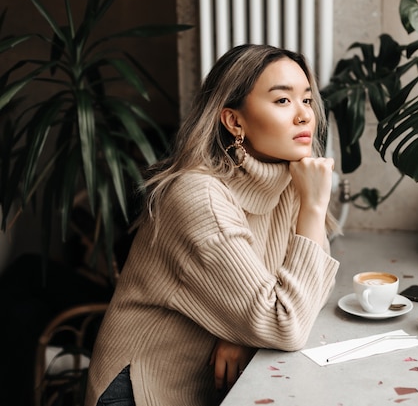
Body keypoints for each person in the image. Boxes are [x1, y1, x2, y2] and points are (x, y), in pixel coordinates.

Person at [85, 44, 340, 406]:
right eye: (283, 101)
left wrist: (243, 329)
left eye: (308, 100)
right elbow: (286, 324)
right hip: (145, 388)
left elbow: (312, 290)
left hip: (211, 387)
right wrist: (314, 209)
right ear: (234, 121)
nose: (304, 117)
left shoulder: (291, 177)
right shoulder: (199, 196)